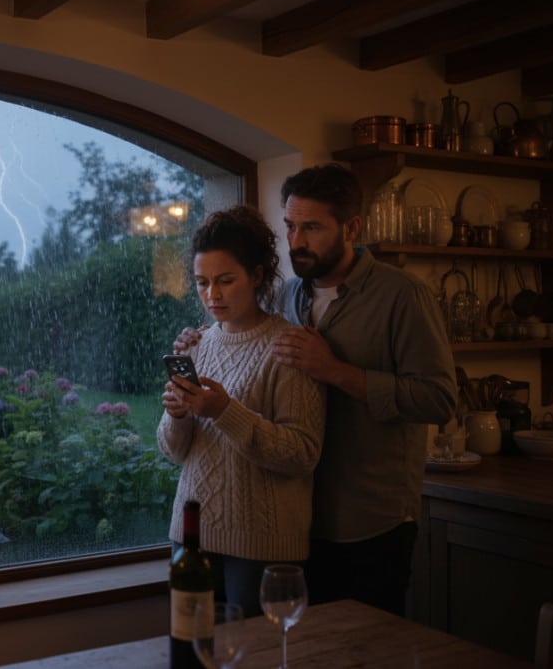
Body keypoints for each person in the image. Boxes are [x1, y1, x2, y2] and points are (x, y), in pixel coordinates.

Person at [174, 164, 456, 616]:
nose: (297, 241)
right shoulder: (289, 295)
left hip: (370, 517)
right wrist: (202, 339)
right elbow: (247, 337)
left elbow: (440, 399)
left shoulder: (402, 296)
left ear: (352, 228)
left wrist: (336, 370)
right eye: (289, 226)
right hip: (298, 518)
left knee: (366, 652)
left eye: (312, 228)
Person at [158, 205, 325, 618]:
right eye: (201, 283)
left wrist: (225, 411)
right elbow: (174, 452)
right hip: (191, 534)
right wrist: (176, 414)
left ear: (256, 276)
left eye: (225, 281)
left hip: (261, 545)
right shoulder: (196, 343)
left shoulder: (289, 347)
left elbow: (303, 453)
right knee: (190, 654)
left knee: (253, 659)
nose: (212, 295)